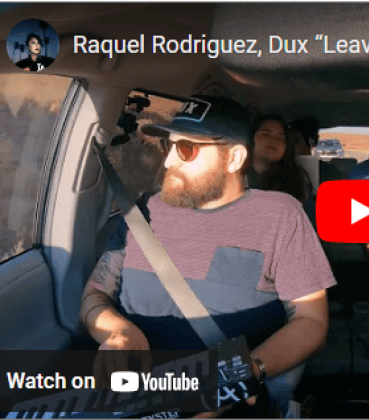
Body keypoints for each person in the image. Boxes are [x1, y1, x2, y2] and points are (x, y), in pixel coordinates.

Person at [80, 96, 336, 416]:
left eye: (186, 149)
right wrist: (118, 331)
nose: (169, 162)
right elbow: (95, 293)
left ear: (234, 159)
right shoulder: (143, 211)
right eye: (167, 146)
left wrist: (239, 376)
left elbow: (311, 321)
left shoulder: (281, 217)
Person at [246, 114, 314, 214]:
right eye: (265, 134)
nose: (274, 140)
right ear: (251, 139)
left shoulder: (298, 184)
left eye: (281, 137)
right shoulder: (234, 179)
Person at [290, 116, 346, 184]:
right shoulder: (282, 172)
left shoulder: (331, 174)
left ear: (311, 142)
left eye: (296, 141)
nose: (290, 145)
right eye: (288, 141)